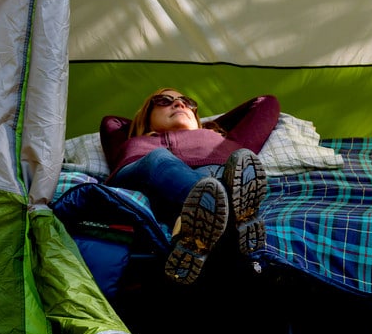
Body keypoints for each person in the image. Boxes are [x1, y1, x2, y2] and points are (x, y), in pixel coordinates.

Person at [100, 88, 281, 285]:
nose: (179, 104)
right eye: (164, 100)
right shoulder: (129, 141)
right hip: (145, 175)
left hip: (213, 178)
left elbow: (266, 103)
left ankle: (189, 237)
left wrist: (205, 126)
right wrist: (151, 125)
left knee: (234, 167)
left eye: (187, 102)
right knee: (160, 158)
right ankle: (235, 221)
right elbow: (111, 122)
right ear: (146, 115)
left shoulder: (225, 138)